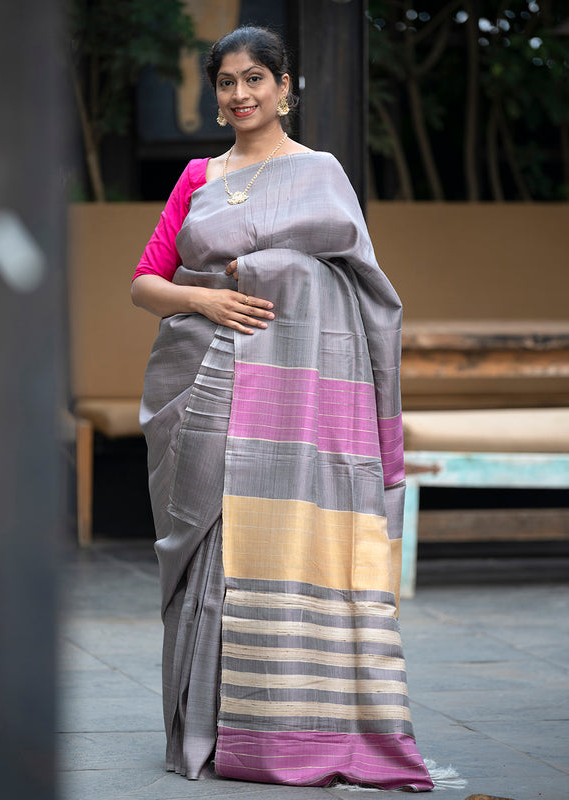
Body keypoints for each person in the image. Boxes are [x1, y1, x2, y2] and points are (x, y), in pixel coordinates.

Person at [131, 25, 433, 791]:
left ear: (284, 86)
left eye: (255, 79)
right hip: (203, 380)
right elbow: (145, 282)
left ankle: (291, 725)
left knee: (286, 544)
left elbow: (362, 289)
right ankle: (205, 729)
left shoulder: (320, 174)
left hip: (297, 405)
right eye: (227, 82)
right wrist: (205, 298)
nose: (241, 94)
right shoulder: (198, 176)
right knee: (211, 544)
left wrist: (281, 278)